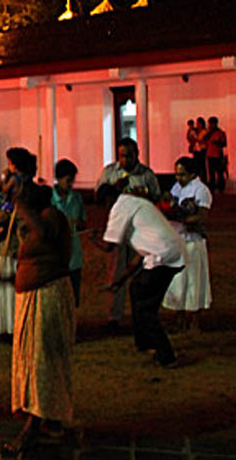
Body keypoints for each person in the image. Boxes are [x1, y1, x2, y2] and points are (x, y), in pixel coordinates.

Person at [91, 183, 185, 368]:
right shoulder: (136, 203)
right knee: (137, 289)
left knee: (145, 308)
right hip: (170, 253)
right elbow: (140, 256)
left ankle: (166, 355)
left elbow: (110, 245)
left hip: (162, 257)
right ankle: (145, 342)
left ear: (108, 200)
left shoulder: (120, 207)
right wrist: (120, 281)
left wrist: (94, 239)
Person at [11, 181, 74, 450]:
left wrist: (22, 207)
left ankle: (34, 425)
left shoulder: (52, 218)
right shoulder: (37, 222)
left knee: (43, 360)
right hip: (33, 296)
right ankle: (51, 420)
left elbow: (46, 235)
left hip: (48, 296)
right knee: (36, 359)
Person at [95, 137, 160, 330]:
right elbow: (99, 198)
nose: (126, 160)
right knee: (115, 271)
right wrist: (115, 189)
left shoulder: (146, 175)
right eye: (122, 156)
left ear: (137, 154)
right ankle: (114, 316)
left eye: (129, 156)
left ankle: (140, 314)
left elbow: (157, 198)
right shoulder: (109, 173)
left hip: (140, 229)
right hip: (118, 229)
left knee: (140, 273)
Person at [0, 147, 35, 335]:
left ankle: (15, 326)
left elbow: (29, 215)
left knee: (13, 286)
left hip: (14, 244)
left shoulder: (28, 189)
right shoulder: (2, 186)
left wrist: (10, 219)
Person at [162, 156, 212, 332]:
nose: (178, 178)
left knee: (194, 281)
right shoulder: (177, 188)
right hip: (178, 240)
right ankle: (179, 318)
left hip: (193, 242)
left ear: (192, 174)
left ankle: (195, 321)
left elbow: (202, 216)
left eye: (182, 174)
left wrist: (181, 218)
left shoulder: (201, 190)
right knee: (178, 281)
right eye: (176, 174)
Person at [52, 159, 86, 306]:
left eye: (72, 180)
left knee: (72, 297)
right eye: (68, 180)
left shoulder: (77, 198)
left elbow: (83, 222)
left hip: (74, 255)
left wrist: (78, 224)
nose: (71, 184)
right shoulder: (50, 199)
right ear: (58, 179)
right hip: (56, 254)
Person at [205, 116, 228, 192]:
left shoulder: (220, 133)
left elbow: (224, 144)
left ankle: (221, 188)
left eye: (212, 124)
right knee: (211, 174)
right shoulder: (208, 133)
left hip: (217, 155)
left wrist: (217, 142)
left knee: (219, 173)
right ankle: (212, 188)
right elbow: (204, 140)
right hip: (210, 155)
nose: (210, 126)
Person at [193, 117, 208, 183]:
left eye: (199, 123)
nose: (198, 125)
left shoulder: (204, 131)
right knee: (196, 166)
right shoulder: (195, 131)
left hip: (202, 149)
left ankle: (204, 180)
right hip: (196, 149)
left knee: (202, 165)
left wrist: (198, 140)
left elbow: (204, 140)